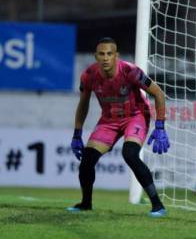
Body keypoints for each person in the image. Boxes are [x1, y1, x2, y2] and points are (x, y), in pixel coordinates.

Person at [67, 37, 170, 217]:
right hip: (109, 120)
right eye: (101, 54)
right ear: (96, 56)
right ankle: (85, 204)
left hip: (135, 116)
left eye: (109, 54)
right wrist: (77, 134)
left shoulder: (130, 71)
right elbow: (83, 104)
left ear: (116, 56)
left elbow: (158, 93)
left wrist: (160, 125)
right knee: (87, 160)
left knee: (129, 154)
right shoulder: (88, 76)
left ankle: (157, 205)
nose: (105, 58)